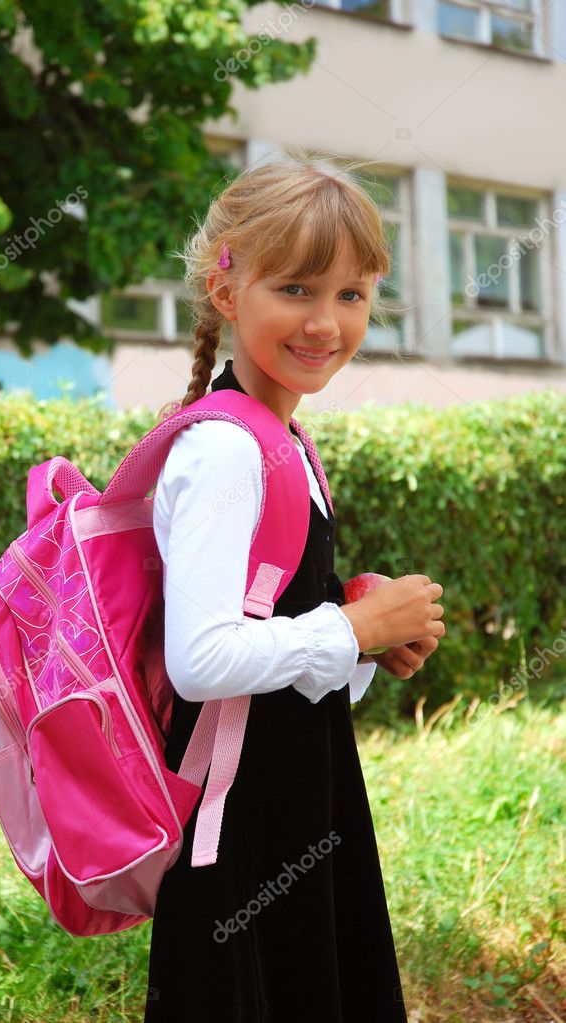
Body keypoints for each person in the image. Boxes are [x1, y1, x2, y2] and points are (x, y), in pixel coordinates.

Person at [143, 157, 446, 1022]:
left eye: (351, 295)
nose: (325, 322)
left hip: (295, 794)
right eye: (297, 289)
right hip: (236, 829)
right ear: (227, 290)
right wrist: (349, 628)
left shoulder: (285, 441)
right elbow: (201, 660)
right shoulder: (225, 451)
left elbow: (269, 636)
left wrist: (363, 635)